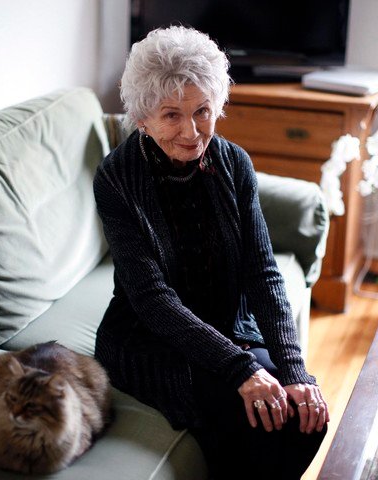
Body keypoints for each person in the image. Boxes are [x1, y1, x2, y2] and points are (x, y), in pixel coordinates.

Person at [93, 26, 329, 479]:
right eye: (171, 115)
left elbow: (262, 272)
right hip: (150, 338)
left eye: (203, 111)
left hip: (227, 326)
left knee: (307, 413)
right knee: (253, 416)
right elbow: (152, 298)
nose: (192, 131)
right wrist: (242, 369)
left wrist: (295, 370)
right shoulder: (116, 179)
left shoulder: (234, 163)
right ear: (142, 118)